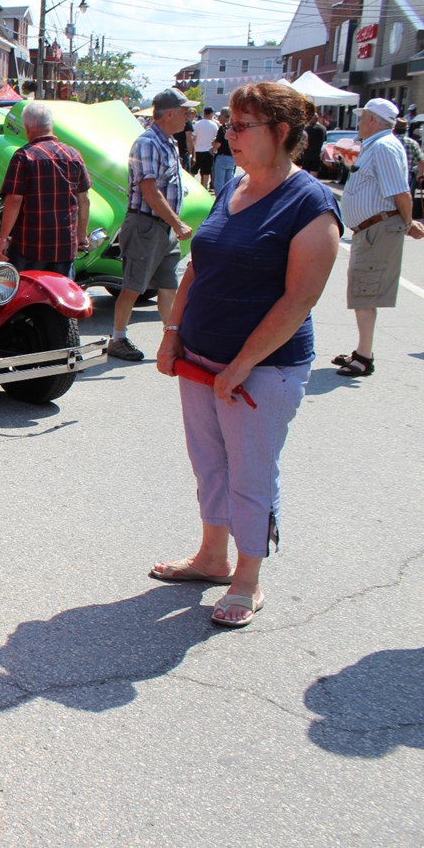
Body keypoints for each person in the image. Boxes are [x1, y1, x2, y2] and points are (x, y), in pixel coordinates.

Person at [151, 81, 342, 628]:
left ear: (281, 133)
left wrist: (241, 365)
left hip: (264, 369)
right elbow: (197, 265)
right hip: (201, 355)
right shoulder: (233, 183)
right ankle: (212, 557)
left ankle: (247, 578)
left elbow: (298, 299)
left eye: (241, 126)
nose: (228, 135)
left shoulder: (311, 203)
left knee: (250, 473)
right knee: (209, 463)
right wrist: (172, 331)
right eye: (229, 124)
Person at [332, 98, 424, 377]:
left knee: (365, 293)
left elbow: (400, 192)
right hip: (370, 229)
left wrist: (408, 223)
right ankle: (362, 350)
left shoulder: (383, 146)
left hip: (377, 229)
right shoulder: (379, 145)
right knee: (363, 292)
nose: (359, 123)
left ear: (373, 120)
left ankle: (363, 357)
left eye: (363, 118)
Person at [107, 87, 197, 362]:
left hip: (162, 226)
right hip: (147, 224)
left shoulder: (168, 141)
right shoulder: (148, 142)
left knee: (168, 285)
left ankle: (173, 337)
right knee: (134, 286)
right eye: (185, 112)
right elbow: (150, 191)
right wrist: (178, 223)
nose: (188, 117)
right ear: (169, 113)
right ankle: (117, 339)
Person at [0, 102, 92, 277]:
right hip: (64, 246)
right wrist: (81, 234)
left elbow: (14, 200)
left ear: (27, 127)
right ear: (51, 125)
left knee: (26, 298)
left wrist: (3, 238)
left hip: (30, 246)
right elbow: (84, 200)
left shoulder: (23, 156)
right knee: (61, 299)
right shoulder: (73, 155)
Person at [192, 107, 218, 191]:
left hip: (197, 150)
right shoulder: (214, 125)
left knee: (193, 170)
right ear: (211, 114)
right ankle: (203, 188)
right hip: (208, 151)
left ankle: (191, 187)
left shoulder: (197, 123)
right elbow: (216, 138)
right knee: (206, 172)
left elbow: (193, 136)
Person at [211, 107, 236, 194]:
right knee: (229, 180)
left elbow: (219, 143)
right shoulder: (234, 126)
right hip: (232, 156)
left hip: (222, 156)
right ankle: (229, 197)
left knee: (219, 182)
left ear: (222, 115)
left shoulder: (223, 127)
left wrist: (213, 149)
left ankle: (220, 201)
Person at [174, 107, 195, 173]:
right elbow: (189, 138)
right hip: (183, 151)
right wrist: (190, 152)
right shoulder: (187, 122)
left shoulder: (171, 121)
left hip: (174, 150)